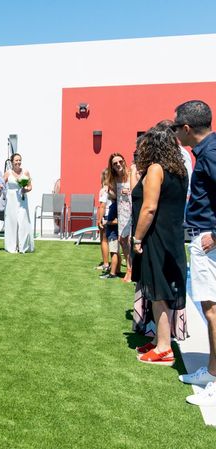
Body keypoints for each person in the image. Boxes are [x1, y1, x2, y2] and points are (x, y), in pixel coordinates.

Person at [131, 126, 188, 367]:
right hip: (172, 236)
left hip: (156, 236)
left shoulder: (156, 169)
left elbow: (149, 208)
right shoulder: (180, 170)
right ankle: (160, 342)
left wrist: (136, 238)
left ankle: (164, 348)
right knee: (160, 290)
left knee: (158, 292)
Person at [172, 101, 216, 406]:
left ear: (187, 128)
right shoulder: (208, 152)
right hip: (204, 239)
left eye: (176, 127)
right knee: (210, 309)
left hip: (208, 241)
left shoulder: (211, 154)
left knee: (213, 311)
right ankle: (212, 373)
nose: (175, 132)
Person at [108, 153, 132, 282]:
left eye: (120, 162)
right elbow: (114, 196)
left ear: (124, 161)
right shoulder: (114, 179)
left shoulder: (131, 174)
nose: (118, 165)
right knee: (123, 241)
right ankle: (129, 269)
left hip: (133, 212)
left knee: (130, 241)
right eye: (115, 163)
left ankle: (133, 269)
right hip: (122, 213)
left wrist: (130, 191)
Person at [4, 153, 34, 253]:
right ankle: (12, 246)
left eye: (19, 160)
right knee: (12, 223)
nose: (18, 162)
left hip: (22, 200)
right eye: (16, 160)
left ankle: (23, 247)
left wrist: (26, 190)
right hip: (11, 200)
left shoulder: (25, 172)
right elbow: (1, 184)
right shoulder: (8, 173)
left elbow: (30, 187)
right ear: (12, 162)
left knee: (23, 222)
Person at [96, 169, 111, 273]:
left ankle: (106, 264)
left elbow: (102, 206)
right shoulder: (114, 189)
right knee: (114, 242)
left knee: (104, 241)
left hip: (106, 217)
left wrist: (99, 220)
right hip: (114, 217)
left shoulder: (103, 190)